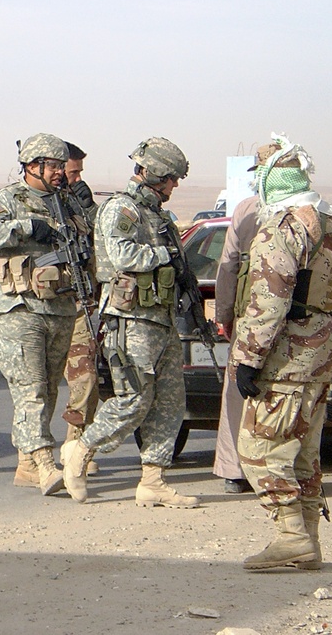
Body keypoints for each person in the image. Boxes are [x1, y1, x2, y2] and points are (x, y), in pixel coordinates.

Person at [61, 137, 199, 509]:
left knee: (169, 401)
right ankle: (82, 450)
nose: (173, 186)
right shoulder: (122, 209)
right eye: (170, 179)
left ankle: (153, 479)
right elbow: (122, 254)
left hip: (162, 319)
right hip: (131, 319)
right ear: (152, 174)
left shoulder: (158, 215)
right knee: (133, 399)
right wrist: (164, 253)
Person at [231, 134, 332, 571]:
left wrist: (247, 359)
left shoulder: (282, 230)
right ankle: (308, 541)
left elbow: (268, 301)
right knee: (303, 452)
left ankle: (291, 535)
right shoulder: (328, 224)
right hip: (319, 357)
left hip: (288, 358)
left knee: (261, 446)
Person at [0, 133, 84, 495]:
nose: (58, 172)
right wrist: (22, 227)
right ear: (32, 166)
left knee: (50, 386)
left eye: (60, 166)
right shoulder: (6, 199)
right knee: (30, 389)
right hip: (18, 306)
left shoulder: (67, 203)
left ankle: (25, 462)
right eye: (52, 166)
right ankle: (43, 463)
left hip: (60, 305)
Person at [211, 143, 279, 494]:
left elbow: (228, 267)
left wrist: (225, 316)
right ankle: (275, 470)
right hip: (289, 324)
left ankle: (234, 470)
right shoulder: (313, 213)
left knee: (239, 393)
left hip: (250, 319)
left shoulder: (247, 210)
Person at [56, 141, 101, 477]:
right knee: (39, 386)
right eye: (73, 172)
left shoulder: (79, 203)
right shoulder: (26, 201)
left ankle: (75, 446)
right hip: (39, 306)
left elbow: (100, 242)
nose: (77, 178)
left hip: (78, 302)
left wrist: (89, 211)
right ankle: (34, 456)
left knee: (84, 379)